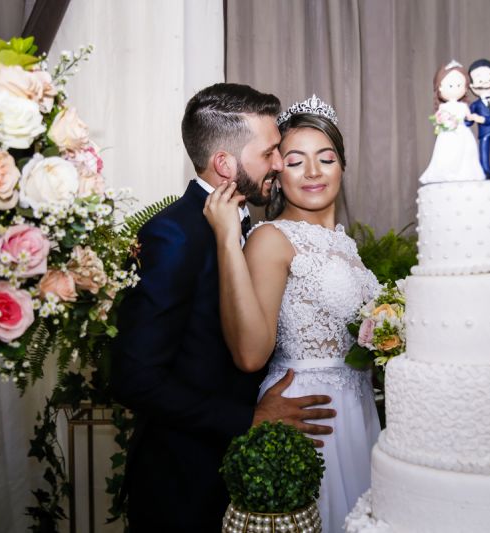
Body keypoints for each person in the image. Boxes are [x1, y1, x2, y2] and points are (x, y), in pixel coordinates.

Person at [111, 83, 336, 532]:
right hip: (184, 485)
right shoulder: (173, 235)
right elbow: (133, 378)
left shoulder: (256, 226)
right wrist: (248, 418)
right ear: (224, 164)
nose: (279, 163)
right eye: (269, 153)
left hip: (247, 480)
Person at [204, 94, 381, 533]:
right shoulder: (271, 239)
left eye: (326, 158)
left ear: (342, 166)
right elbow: (249, 354)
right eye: (297, 161)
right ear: (278, 173)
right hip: (310, 419)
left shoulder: (347, 245)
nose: (314, 172)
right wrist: (227, 239)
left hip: (357, 411)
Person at [419, 60, 486, 184]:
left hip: (462, 132)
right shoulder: (443, 107)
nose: (455, 88)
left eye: (459, 85)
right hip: (448, 134)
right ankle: (447, 173)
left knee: (466, 153)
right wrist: (443, 122)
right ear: (440, 87)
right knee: (448, 153)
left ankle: (465, 173)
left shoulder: (463, 106)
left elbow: (469, 116)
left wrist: (476, 118)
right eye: (450, 86)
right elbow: (438, 119)